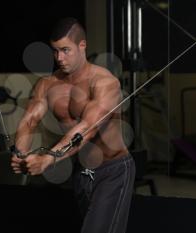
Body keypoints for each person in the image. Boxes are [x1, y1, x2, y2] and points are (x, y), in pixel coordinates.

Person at [11, 17, 135, 233]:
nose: (59, 58)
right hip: (81, 170)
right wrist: (20, 153)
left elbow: (88, 129)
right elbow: (29, 120)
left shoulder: (104, 82)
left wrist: (48, 158)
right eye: (55, 51)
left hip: (112, 170)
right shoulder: (47, 84)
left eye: (66, 50)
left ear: (82, 46)